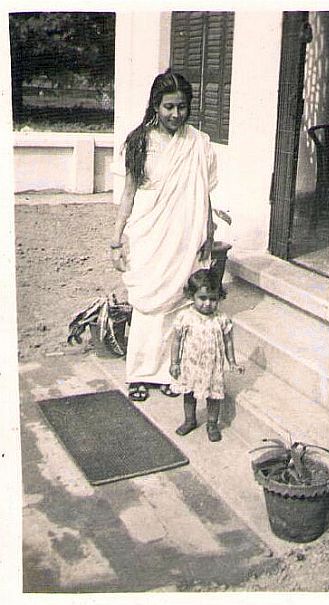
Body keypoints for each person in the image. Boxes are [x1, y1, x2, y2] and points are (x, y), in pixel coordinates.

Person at [111, 69, 217, 402]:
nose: (175, 114)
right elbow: (128, 193)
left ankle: (172, 372)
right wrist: (116, 240)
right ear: (156, 106)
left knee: (178, 302)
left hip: (186, 234)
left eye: (182, 107)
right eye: (169, 107)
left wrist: (209, 234)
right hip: (149, 233)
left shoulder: (198, 143)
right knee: (147, 302)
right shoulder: (139, 141)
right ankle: (140, 374)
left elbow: (206, 193)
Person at [169, 269, 244, 442]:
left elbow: (228, 342)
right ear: (191, 296)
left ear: (219, 297)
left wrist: (232, 362)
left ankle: (212, 423)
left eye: (213, 299)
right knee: (188, 393)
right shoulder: (185, 317)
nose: (207, 303)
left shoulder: (222, 319)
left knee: (213, 395)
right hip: (190, 364)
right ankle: (190, 420)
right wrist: (175, 362)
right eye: (202, 298)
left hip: (213, 366)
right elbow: (177, 341)